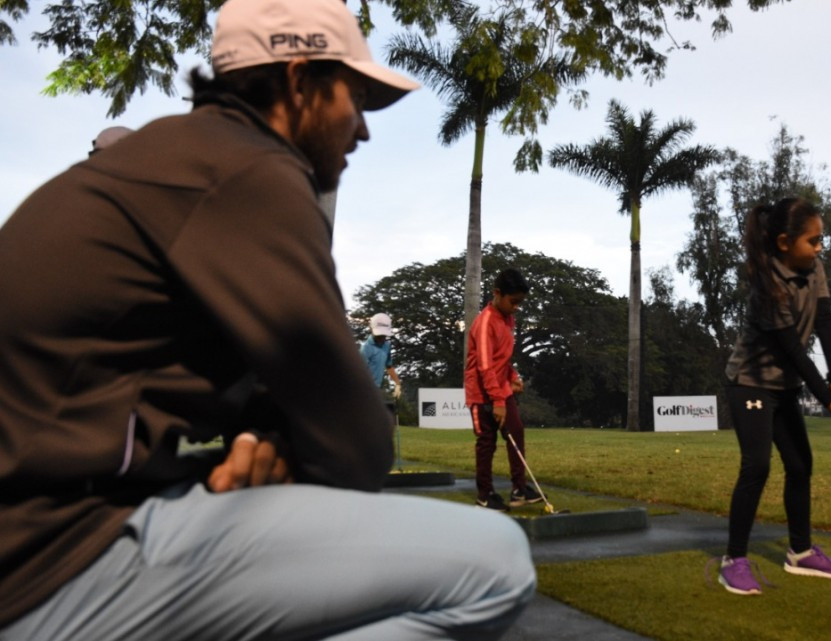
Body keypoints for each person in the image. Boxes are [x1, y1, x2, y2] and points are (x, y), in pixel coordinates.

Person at [0, 0, 535, 638]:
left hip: (55, 524)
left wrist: (266, 434)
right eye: (355, 97)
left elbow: (243, 385)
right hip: (49, 558)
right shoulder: (249, 170)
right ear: (298, 80)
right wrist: (286, 436)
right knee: (496, 564)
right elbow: (359, 447)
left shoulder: (176, 156)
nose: (362, 129)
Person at [716, 197, 831, 596]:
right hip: (751, 382)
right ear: (783, 242)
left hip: (785, 385)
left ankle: (800, 552)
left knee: (800, 463)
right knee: (757, 466)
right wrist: (830, 402)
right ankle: (734, 558)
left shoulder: (814, 268)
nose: (819, 248)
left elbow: (827, 320)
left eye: (820, 240)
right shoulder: (768, 284)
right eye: (812, 241)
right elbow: (793, 350)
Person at [465, 268, 542, 511]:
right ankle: (485, 495)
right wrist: (497, 401)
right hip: (481, 394)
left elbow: (503, 360)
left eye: (520, 303)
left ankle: (519, 490)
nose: (516, 307)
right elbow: (485, 366)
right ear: (497, 293)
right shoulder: (486, 321)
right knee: (486, 442)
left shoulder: (508, 319)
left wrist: (513, 376)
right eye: (513, 301)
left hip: (501, 390)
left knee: (516, 432)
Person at [361, 312, 402, 398]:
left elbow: (389, 366)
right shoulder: (365, 348)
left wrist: (397, 384)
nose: (382, 337)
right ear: (371, 329)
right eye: (379, 334)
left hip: (375, 390)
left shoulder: (386, 346)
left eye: (384, 335)